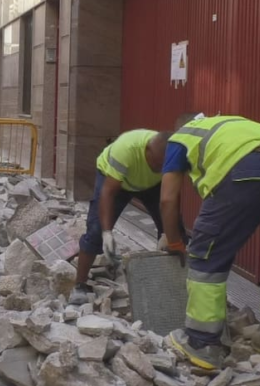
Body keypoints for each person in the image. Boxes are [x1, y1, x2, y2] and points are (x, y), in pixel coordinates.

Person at [157, 113, 260, 370]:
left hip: (245, 171)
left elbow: (167, 198)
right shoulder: (230, 125)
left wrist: (174, 241)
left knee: (206, 252)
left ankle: (202, 343)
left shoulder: (181, 137)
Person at [69, 129, 186, 305]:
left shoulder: (171, 157)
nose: (160, 169)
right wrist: (107, 233)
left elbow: (171, 198)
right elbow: (107, 193)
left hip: (151, 186)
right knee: (95, 230)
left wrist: (168, 232)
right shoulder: (126, 150)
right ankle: (79, 285)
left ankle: (174, 285)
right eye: (156, 164)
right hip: (118, 182)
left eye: (164, 166)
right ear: (147, 151)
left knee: (176, 233)